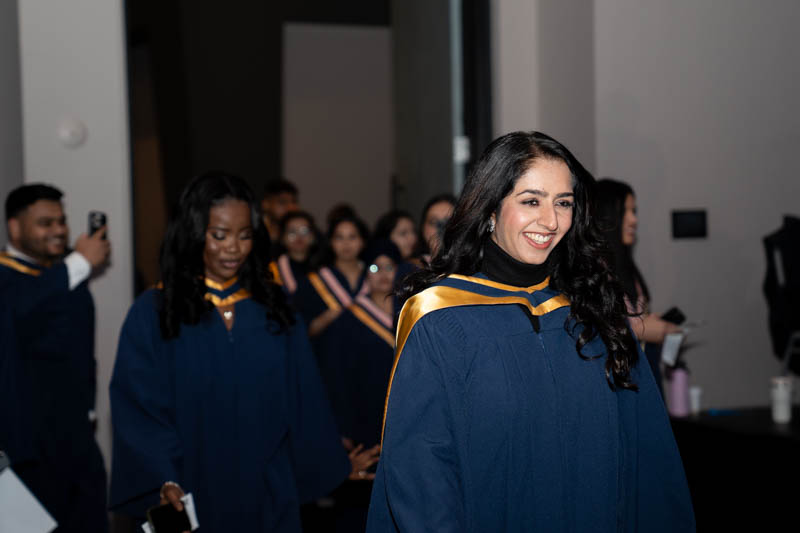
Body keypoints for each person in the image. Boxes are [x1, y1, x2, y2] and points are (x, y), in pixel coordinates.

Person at [367, 132, 695, 532]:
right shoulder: (441, 318)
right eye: (531, 201)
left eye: (563, 203)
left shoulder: (594, 312)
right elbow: (421, 470)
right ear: (490, 210)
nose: (551, 221)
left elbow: (648, 455)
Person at [109, 172, 357, 532]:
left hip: (268, 493)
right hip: (190, 490)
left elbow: (304, 399)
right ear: (194, 232)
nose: (234, 248)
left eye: (244, 236)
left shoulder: (275, 311)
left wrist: (334, 460)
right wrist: (162, 478)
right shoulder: (155, 312)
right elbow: (139, 407)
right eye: (219, 235)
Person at [0, 183, 111, 533]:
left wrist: (89, 409)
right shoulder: (7, 277)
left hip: (77, 439)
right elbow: (19, 311)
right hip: (28, 447)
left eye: (61, 222)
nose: (60, 231)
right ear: (15, 227)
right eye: (46, 223)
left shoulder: (60, 276)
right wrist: (78, 262)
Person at [595, 178, 681, 393]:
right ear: (606, 217)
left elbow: (630, 318)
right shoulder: (590, 272)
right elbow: (594, 331)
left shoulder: (625, 267)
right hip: (613, 384)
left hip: (642, 376)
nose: (634, 220)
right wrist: (641, 330)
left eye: (635, 211)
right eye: (627, 211)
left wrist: (652, 324)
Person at [294, 212, 370, 338]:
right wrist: (329, 316)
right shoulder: (314, 281)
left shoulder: (374, 278)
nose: (346, 243)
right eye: (339, 237)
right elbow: (302, 330)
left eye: (352, 237)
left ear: (362, 241)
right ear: (330, 242)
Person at [269, 210, 322, 302]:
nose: (299, 237)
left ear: (313, 236)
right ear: (282, 237)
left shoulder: (324, 266)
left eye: (304, 231)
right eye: (292, 232)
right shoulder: (273, 270)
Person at [416, 193, 455, 262]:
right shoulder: (408, 269)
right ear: (423, 228)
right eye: (433, 222)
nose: (440, 228)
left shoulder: (472, 269)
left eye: (448, 222)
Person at [261, 178, 298, 247]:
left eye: (294, 202)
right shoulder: (254, 232)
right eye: (283, 202)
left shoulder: (304, 232)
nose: (291, 207)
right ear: (266, 204)